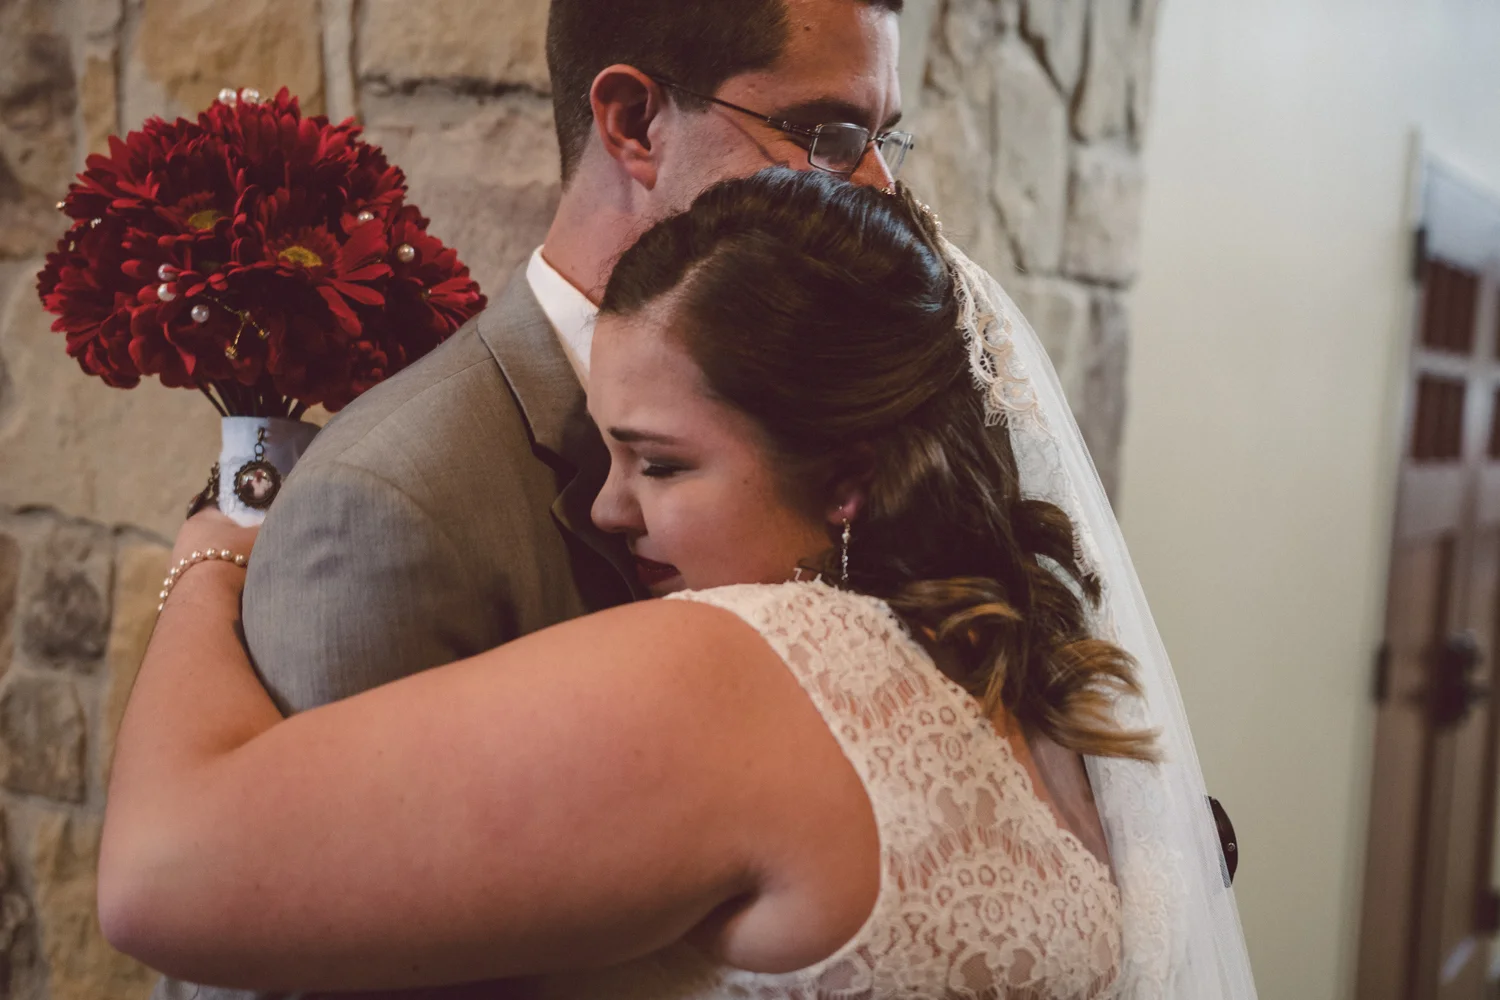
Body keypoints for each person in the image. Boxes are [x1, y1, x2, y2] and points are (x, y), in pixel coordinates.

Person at [100, 169, 1257, 999]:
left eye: (659, 463)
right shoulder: (1037, 684)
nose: (608, 508)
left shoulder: (745, 669)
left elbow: (159, 875)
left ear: (847, 477)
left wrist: (210, 556)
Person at [158, 3, 906, 998]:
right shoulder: (390, 504)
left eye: (884, 138)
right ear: (633, 124)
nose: (878, 184)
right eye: (825, 134)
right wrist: (209, 563)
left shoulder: (857, 419)